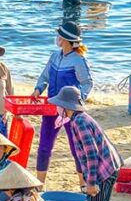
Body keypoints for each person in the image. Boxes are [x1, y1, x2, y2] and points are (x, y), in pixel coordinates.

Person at [49, 86, 122, 201]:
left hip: (103, 171)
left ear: (65, 107)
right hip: (111, 166)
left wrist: (91, 183)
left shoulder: (79, 122)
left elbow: (91, 155)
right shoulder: (81, 118)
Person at [31, 20, 92, 183]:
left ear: (65, 39)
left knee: (76, 147)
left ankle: (82, 183)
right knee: (44, 146)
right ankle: (40, 184)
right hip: (51, 107)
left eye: (60, 35)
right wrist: (38, 89)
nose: (57, 38)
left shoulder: (79, 60)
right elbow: (45, 76)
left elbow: (87, 83)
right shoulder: (54, 56)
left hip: (70, 111)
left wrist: (80, 99)